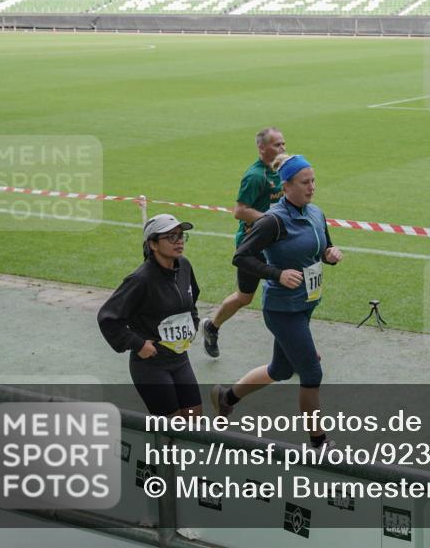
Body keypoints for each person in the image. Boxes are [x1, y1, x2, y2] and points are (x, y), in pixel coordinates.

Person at [210, 155, 343, 449]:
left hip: (306, 304)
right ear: (286, 187)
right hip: (283, 309)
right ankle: (319, 443)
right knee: (311, 372)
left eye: (313, 180)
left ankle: (226, 396)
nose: (312, 187)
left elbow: (323, 248)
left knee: (280, 370)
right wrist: (277, 273)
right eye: (305, 182)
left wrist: (330, 254)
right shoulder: (273, 221)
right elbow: (241, 256)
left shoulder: (315, 213)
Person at [97, 214, 202, 417]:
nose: (179, 241)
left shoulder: (184, 266)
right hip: (151, 365)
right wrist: (138, 344)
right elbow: (108, 318)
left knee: (195, 418)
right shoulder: (141, 279)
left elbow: (192, 297)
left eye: (181, 236)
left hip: (180, 358)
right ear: (153, 244)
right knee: (171, 428)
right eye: (171, 236)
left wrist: (193, 323)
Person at [201, 127, 286, 358]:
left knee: (284, 294)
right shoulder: (255, 176)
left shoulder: (281, 171)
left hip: (275, 245)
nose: (283, 148)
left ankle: (293, 349)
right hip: (252, 245)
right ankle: (212, 326)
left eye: (283, 144)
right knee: (244, 297)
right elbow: (239, 211)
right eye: (277, 144)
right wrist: (272, 221)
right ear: (261, 148)